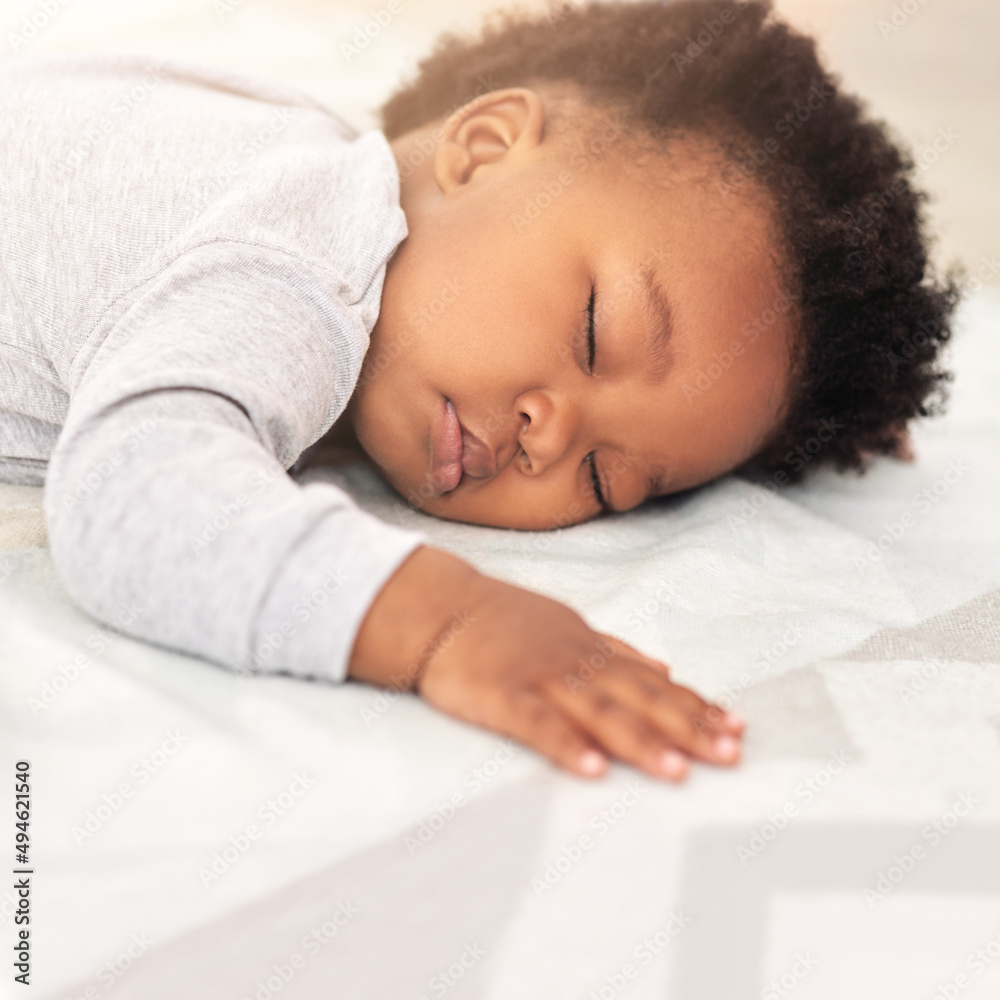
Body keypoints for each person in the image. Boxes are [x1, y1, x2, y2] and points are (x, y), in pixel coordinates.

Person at [0, 0, 956, 781]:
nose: (553, 434)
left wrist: (836, 408)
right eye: (596, 331)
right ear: (488, 143)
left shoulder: (298, 179)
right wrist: (445, 621)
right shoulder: (296, 263)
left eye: (606, 481)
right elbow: (135, 490)